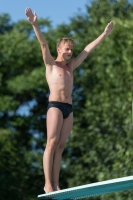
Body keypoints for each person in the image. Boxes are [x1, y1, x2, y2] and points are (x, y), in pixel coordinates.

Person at [25, 7, 114, 193]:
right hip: (55, 107)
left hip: (69, 109)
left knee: (61, 146)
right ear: (59, 49)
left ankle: (57, 184)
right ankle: (48, 183)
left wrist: (104, 34)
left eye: (72, 49)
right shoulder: (51, 64)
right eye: (67, 49)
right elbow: (43, 45)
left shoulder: (71, 67)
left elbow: (88, 49)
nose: (71, 52)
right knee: (51, 142)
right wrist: (35, 25)